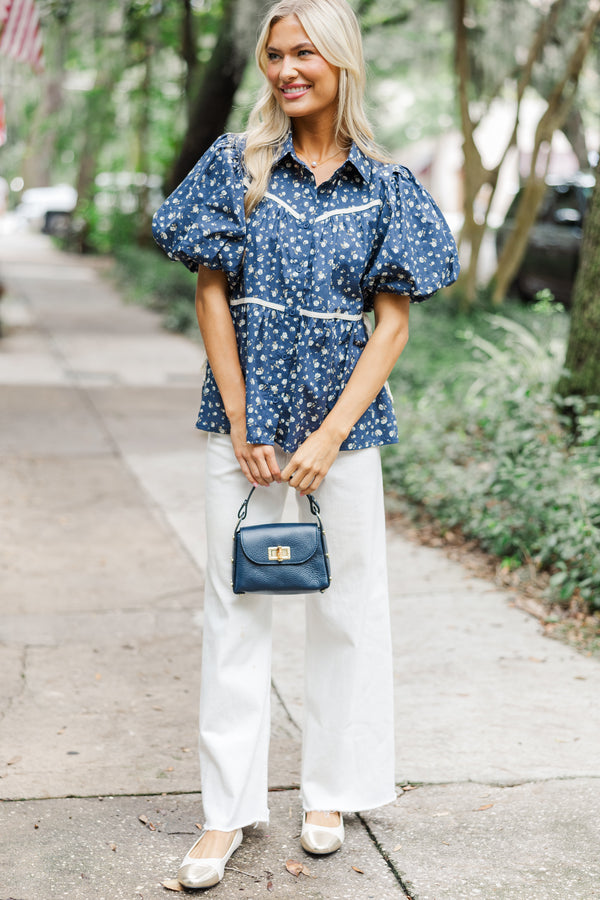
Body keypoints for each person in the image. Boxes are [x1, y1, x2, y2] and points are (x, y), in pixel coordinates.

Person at [152, 0, 459, 889]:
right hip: (241, 432)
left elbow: (392, 328)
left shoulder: (387, 187)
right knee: (234, 611)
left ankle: (330, 791)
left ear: (341, 62)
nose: (287, 69)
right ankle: (225, 816)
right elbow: (212, 295)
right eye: (275, 54)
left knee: (345, 614)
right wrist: (245, 420)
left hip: (345, 434)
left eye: (304, 54)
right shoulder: (234, 168)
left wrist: (327, 436)